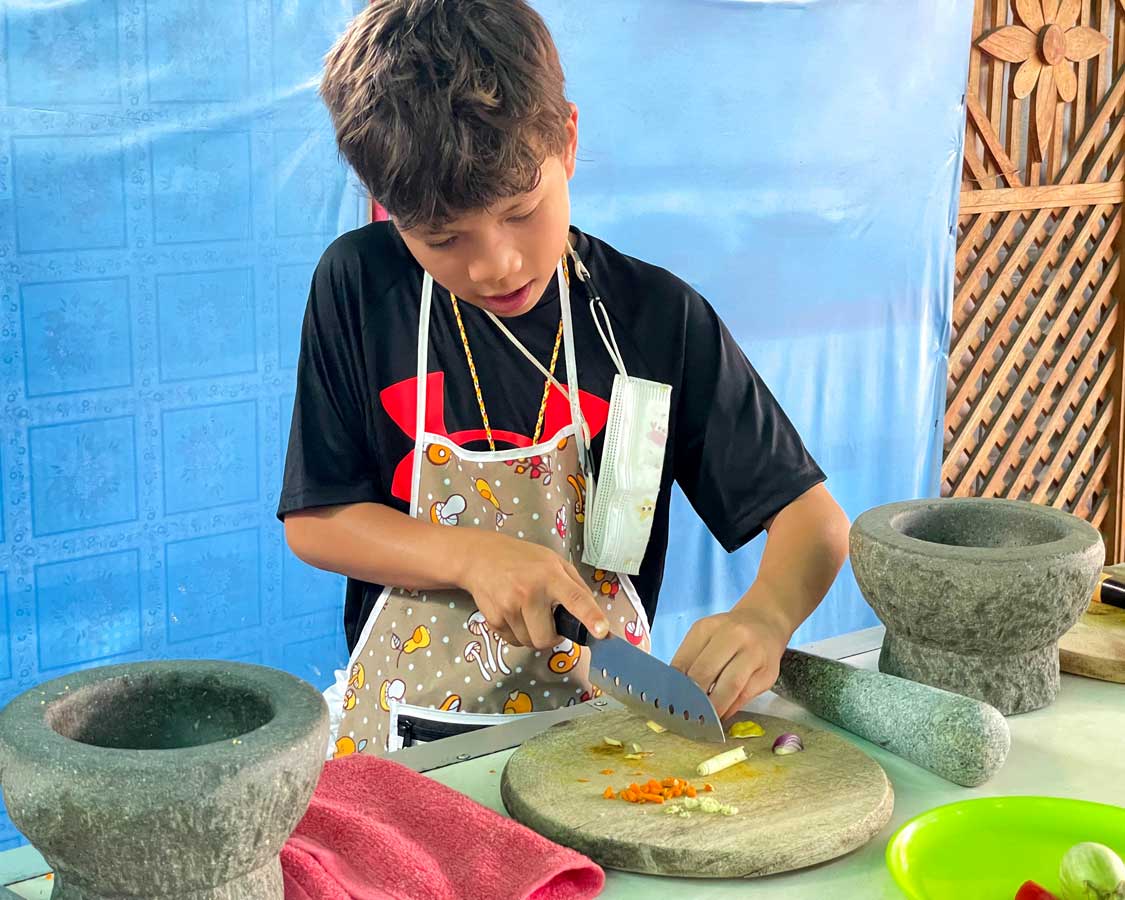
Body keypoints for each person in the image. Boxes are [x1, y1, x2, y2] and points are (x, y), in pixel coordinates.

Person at [279, 0, 849, 755]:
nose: (493, 265)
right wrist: (472, 555)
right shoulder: (360, 285)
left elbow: (813, 522)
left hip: (602, 734)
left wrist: (766, 615)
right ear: (390, 210)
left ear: (568, 141)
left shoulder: (654, 318)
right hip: (407, 743)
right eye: (442, 238)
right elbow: (317, 519)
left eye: (521, 210)